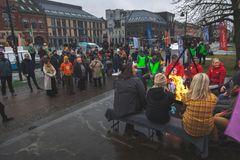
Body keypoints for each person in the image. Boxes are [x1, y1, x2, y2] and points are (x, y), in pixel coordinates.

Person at [105, 63, 146, 133]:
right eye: (134, 68)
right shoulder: (137, 80)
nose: (136, 70)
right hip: (129, 109)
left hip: (118, 107)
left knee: (130, 99)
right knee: (135, 102)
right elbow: (143, 96)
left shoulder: (118, 80)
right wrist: (145, 107)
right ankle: (129, 129)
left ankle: (129, 128)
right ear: (130, 71)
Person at [182, 73, 217, 137]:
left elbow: (183, 109)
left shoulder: (188, 96)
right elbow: (211, 111)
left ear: (194, 83)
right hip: (206, 130)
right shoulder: (213, 98)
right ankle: (215, 140)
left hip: (189, 128)